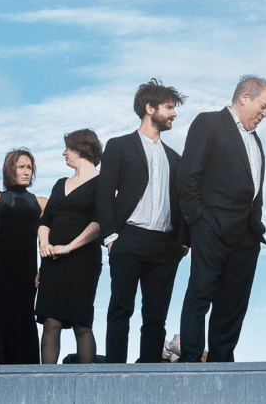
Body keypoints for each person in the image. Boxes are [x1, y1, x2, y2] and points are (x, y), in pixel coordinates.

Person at [178, 74, 266, 363]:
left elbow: (254, 190)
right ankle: (192, 362)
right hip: (211, 229)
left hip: (246, 236)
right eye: (264, 106)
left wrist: (255, 223)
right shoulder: (208, 123)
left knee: (233, 305)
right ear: (245, 97)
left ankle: (222, 363)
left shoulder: (255, 140)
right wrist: (199, 222)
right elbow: (188, 176)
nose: (265, 113)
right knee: (200, 296)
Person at [97, 79, 189, 364]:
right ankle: (114, 373)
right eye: (169, 107)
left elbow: (184, 204)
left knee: (156, 317)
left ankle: (150, 375)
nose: (174, 114)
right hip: (128, 240)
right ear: (149, 108)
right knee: (120, 310)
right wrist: (111, 238)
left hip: (165, 246)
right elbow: (103, 194)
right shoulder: (119, 146)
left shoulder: (176, 158)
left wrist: (182, 245)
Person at [36, 129, 103, 364]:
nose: (64, 153)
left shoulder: (101, 182)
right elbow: (45, 221)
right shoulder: (59, 183)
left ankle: (86, 384)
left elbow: (98, 223)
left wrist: (68, 247)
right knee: (51, 322)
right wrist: (45, 244)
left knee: (80, 322)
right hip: (52, 260)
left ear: (82, 149)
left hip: (82, 260)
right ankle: (48, 383)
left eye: (68, 148)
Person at [0, 149, 47, 364]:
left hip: (26, 272)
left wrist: (42, 270)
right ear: (10, 170)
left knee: (25, 320)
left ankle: (25, 371)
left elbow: (44, 240)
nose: (26, 172)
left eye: (29, 168)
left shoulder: (42, 202)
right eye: (21, 167)